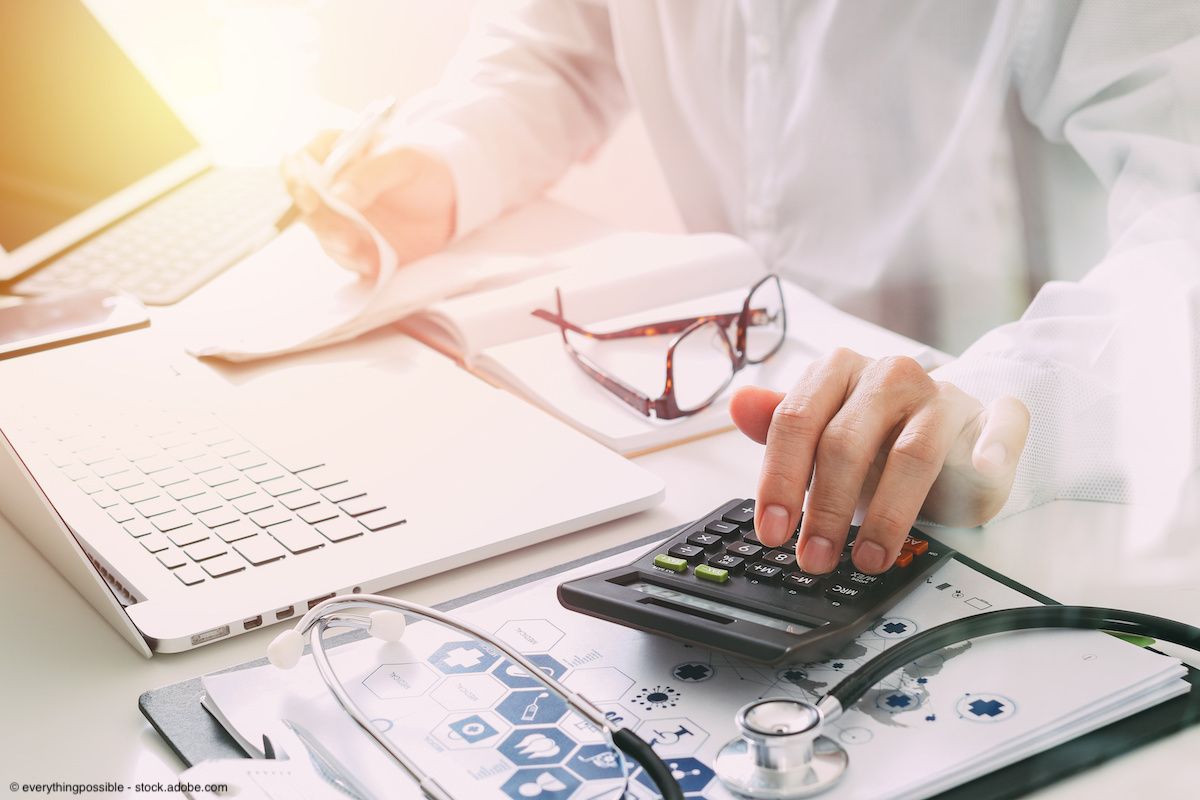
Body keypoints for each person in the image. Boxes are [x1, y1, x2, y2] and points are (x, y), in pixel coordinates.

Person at [284, 2, 1200, 576]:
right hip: (731, 426)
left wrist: (1008, 399)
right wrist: (444, 164)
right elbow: (558, 47)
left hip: (1020, 493)